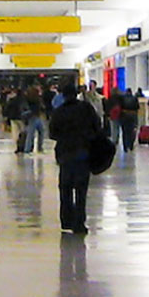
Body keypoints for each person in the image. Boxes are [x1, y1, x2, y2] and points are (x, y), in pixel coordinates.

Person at [50, 81, 103, 235]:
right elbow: (97, 127)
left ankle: (66, 221)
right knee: (81, 190)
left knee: (65, 188)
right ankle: (79, 222)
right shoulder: (86, 109)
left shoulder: (59, 112)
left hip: (65, 155)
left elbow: (53, 133)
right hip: (83, 153)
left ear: (63, 95)